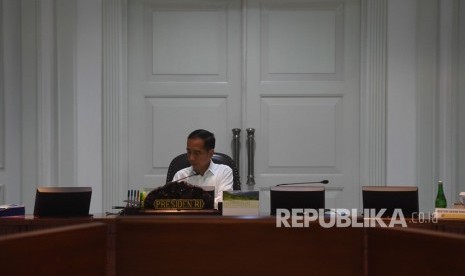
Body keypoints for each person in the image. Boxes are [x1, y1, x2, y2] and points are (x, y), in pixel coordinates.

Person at [172, 129, 233, 209]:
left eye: (197, 153)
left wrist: (189, 204)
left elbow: (223, 203)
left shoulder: (224, 172)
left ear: (210, 153)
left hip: (215, 220)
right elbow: (172, 204)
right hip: (186, 220)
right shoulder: (180, 175)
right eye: (189, 152)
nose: (191, 158)